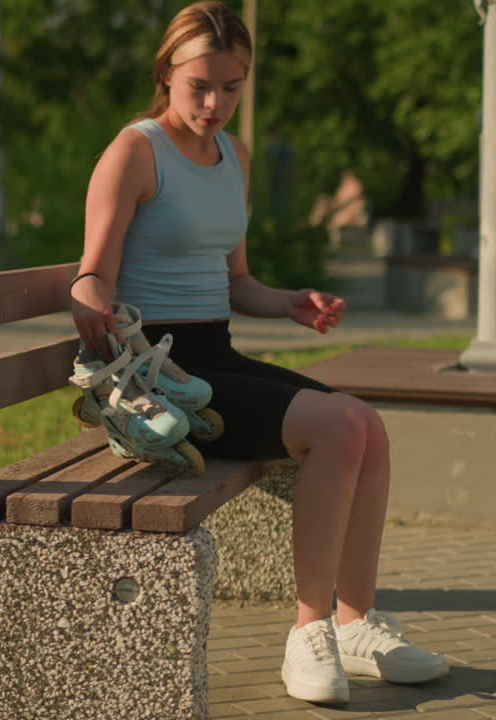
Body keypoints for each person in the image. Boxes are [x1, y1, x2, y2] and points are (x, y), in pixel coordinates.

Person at [68, 1, 448, 705]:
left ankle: (357, 622)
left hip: (218, 356)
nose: (216, 104)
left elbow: (235, 282)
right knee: (338, 428)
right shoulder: (135, 151)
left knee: (368, 424)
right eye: (200, 86)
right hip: (163, 378)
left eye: (232, 87)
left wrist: (289, 301)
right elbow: (94, 268)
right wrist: (87, 296)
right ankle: (308, 634)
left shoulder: (231, 157)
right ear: (167, 73)